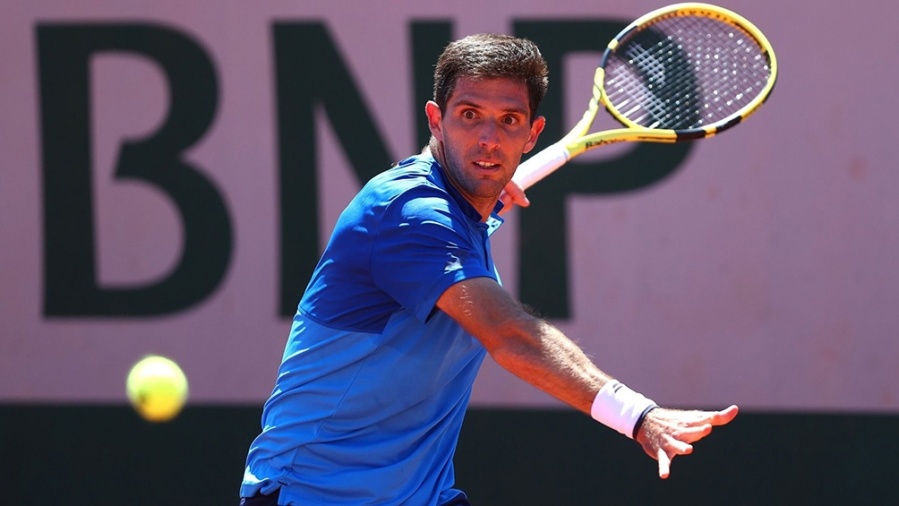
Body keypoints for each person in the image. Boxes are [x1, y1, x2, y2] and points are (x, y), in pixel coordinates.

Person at [239, 33, 738, 506]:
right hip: (313, 493)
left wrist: (485, 194)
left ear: (532, 134)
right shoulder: (410, 214)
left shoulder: (457, 206)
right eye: (469, 115)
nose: (488, 139)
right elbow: (512, 335)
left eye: (509, 121)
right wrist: (638, 416)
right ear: (435, 120)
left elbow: (463, 202)